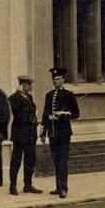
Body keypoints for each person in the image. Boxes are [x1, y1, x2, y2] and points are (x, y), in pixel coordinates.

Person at [40, 66, 81, 198]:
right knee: (56, 160)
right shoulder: (49, 95)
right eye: (53, 79)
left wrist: (63, 114)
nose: (55, 81)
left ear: (63, 79)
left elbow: (76, 114)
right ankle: (58, 187)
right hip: (53, 132)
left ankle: (63, 188)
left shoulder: (68, 95)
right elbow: (45, 114)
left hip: (63, 132)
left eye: (57, 79)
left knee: (62, 160)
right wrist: (43, 133)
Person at [7, 74, 42, 195]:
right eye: (29, 84)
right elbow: (18, 114)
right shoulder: (13, 98)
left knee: (30, 159)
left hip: (30, 134)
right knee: (16, 159)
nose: (30, 87)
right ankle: (13, 185)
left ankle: (28, 184)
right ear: (23, 85)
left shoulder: (29, 97)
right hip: (20, 133)